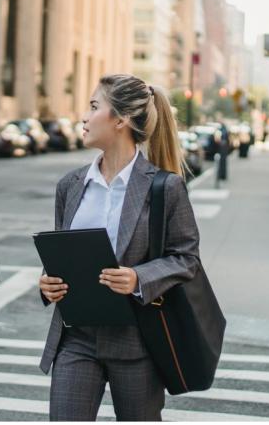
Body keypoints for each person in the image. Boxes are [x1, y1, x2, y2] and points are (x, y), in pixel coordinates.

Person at [38, 74, 202, 421]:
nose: (84, 116)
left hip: (137, 342)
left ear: (121, 120)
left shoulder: (164, 187)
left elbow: (186, 258)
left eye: (94, 106)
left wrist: (138, 278)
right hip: (76, 338)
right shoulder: (70, 185)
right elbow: (61, 254)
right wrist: (48, 283)